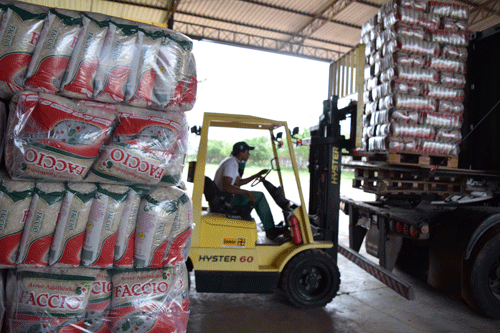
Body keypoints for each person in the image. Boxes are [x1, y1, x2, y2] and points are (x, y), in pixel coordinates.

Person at [214, 141, 285, 240]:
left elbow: (238, 182)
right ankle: (270, 230)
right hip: (226, 199)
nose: (249, 154)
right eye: (247, 152)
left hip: (225, 197)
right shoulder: (232, 163)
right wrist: (247, 192)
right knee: (259, 196)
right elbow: (227, 187)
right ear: (240, 153)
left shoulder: (232, 161)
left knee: (257, 195)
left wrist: (257, 174)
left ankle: (270, 227)